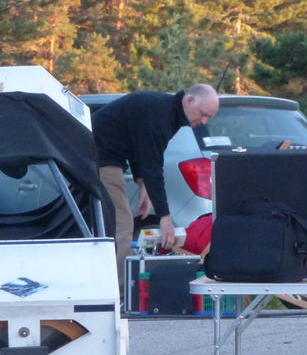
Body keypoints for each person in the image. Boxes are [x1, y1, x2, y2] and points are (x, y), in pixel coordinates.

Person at [92, 83, 219, 282]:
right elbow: (152, 164)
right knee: (122, 223)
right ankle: (119, 291)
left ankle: (110, 284)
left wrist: (142, 184)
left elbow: (138, 146)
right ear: (189, 100)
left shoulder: (168, 112)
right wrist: (164, 216)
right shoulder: (160, 114)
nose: (203, 121)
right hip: (98, 158)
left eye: (208, 118)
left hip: (105, 157)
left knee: (113, 223)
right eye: (203, 114)